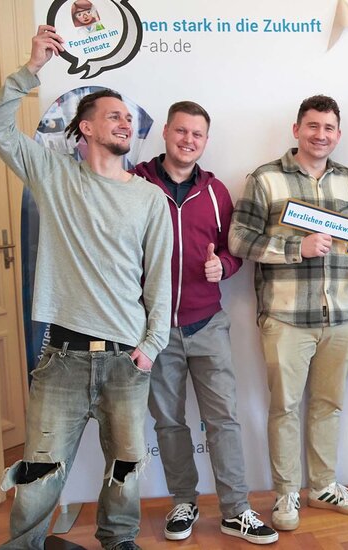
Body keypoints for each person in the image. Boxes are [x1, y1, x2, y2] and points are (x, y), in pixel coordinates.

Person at [0, 26, 173, 550]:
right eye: (113, 115)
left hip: (126, 359)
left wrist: (149, 347)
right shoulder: (54, 175)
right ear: (86, 128)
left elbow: (159, 278)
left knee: (126, 474)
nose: (125, 122)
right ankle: (22, 545)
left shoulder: (150, 199)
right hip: (62, 359)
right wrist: (31, 69)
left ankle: (119, 542)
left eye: (128, 118)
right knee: (37, 478)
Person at [229, 95, 348, 531]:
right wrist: (296, 248)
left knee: (329, 405)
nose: (320, 135)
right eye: (312, 126)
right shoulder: (265, 179)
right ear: (296, 130)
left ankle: (324, 485)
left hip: (344, 318)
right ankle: (286, 493)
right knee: (285, 407)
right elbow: (240, 240)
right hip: (286, 318)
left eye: (329, 128)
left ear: (338, 133)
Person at [132, 102, 277, 544]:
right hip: (152, 330)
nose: (188, 140)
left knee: (223, 421)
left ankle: (236, 510)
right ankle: (183, 502)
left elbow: (232, 251)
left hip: (207, 324)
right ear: (167, 134)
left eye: (197, 134)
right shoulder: (135, 182)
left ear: (205, 141)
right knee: (169, 422)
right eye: (181, 131)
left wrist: (225, 268)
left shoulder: (216, 193)